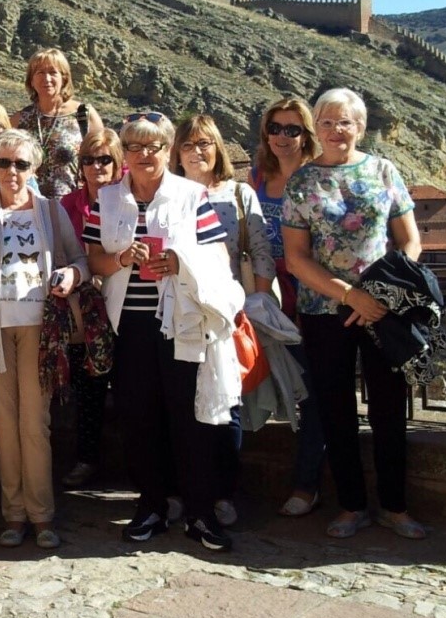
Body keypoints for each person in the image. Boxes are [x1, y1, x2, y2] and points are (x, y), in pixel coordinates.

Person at [83, 111, 233, 552]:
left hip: (181, 324)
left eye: (154, 147)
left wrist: (178, 263)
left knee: (189, 417)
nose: (145, 155)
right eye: (135, 147)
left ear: (168, 150)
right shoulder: (106, 200)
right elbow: (94, 260)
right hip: (129, 325)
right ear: (123, 153)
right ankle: (150, 505)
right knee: (138, 416)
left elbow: (218, 256)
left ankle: (199, 512)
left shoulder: (191, 196)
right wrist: (121, 260)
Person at [282, 88, 425, 540]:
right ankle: (350, 505)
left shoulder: (384, 171)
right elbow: (296, 258)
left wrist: (379, 294)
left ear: (360, 126)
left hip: (383, 310)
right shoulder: (302, 182)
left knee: (388, 407)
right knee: (335, 408)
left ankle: (395, 507)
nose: (335, 130)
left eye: (345, 122)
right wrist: (349, 295)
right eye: (326, 121)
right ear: (316, 128)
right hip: (326, 310)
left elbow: (410, 240)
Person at [0, 129, 86, 548]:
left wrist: (72, 275)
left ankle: (42, 515)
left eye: (21, 164)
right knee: (4, 425)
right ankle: (14, 515)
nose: (12, 171)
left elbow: (78, 258)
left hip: (39, 331)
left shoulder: (50, 211)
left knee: (35, 424)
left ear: (35, 167)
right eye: (4, 163)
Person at [171, 113, 276, 529]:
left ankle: (222, 493)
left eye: (205, 144)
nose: (197, 152)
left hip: (226, 316)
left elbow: (262, 252)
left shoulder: (238, 195)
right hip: (178, 315)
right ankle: (185, 490)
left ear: (218, 151)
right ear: (176, 152)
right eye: (189, 144)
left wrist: (253, 305)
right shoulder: (169, 194)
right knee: (181, 405)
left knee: (225, 406)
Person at [251, 97, 326, 517]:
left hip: (310, 295)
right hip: (269, 299)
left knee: (312, 392)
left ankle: (305, 484)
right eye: (276, 128)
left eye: (292, 129)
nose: (282, 136)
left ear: (306, 135)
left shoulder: (318, 177)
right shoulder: (257, 177)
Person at [58, 128, 125, 487]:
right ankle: (87, 458)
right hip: (85, 305)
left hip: (128, 301)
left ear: (118, 163)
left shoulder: (130, 199)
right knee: (89, 384)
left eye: (104, 159)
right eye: (88, 160)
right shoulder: (69, 205)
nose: (96, 166)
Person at [12, 48, 103, 200]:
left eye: (53, 72)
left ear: (64, 78)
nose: (46, 79)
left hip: (72, 208)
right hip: (28, 208)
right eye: (40, 73)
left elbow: (106, 160)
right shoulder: (19, 119)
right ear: (31, 80)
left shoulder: (84, 116)